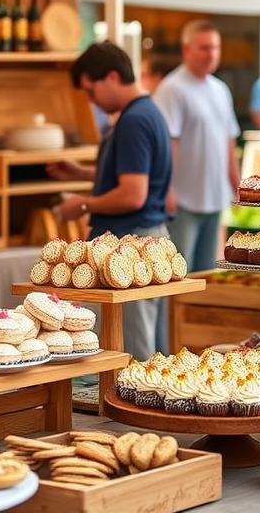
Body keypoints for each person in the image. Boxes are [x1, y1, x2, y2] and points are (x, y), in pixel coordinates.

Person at [46, 41, 172, 361]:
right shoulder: (145, 112)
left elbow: (132, 194)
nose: (93, 101)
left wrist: (84, 204)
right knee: (137, 340)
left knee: (130, 349)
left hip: (130, 243)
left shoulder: (133, 120)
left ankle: (131, 411)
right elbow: (129, 176)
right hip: (145, 240)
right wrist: (83, 172)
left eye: (91, 91)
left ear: (112, 77)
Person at [154, 19, 241, 274]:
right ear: (186, 50)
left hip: (215, 198)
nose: (210, 54)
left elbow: (229, 142)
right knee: (179, 274)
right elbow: (168, 144)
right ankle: (174, 317)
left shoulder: (220, 89)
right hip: (183, 201)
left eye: (215, 47)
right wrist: (167, 190)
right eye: (203, 47)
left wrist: (238, 185)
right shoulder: (172, 88)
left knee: (207, 274)